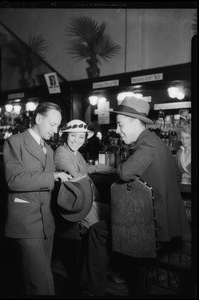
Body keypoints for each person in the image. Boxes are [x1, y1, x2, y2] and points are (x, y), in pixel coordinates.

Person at [79, 96, 191, 297]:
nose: (118, 130)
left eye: (121, 125)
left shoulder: (146, 144)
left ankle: (92, 289)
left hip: (153, 226)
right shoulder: (155, 141)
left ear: (136, 122)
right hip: (165, 221)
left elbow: (124, 173)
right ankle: (119, 273)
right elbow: (176, 175)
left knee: (97, 232)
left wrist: (118, 167)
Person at [3, 102, 72, 296]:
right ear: (38, 119)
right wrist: (53, 176)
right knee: (42, 283)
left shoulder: (49, 150)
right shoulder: (15, 142)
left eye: (58, 125)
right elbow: (14, 180)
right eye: (52, 124)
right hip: (26, 222)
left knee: (34, 282)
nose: (55, 130)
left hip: (46, 224)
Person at [54, 119, 116, 229]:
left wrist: (113, 170)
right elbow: (77, 178)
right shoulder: (61, 153)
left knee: (115, 215)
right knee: (104, 226)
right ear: (66, 136)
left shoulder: (76, 153)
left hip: (86, 198)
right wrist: (94, 201)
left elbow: (87, 168)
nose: (77, 140)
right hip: (76, 203)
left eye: (81, 137)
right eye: (73, 135)